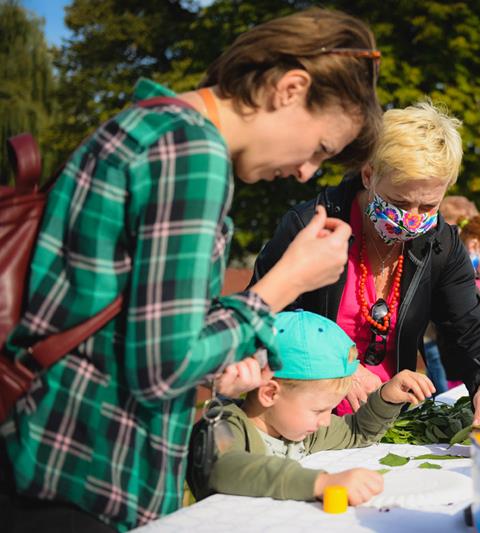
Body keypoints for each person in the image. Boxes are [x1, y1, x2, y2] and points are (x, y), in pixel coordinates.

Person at [0, 8, 382, 532]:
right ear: (289, 89)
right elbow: (162, 367)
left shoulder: (151, 120)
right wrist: (286, 282)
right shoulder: (193, 152)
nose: (305, 172)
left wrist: (219, 359)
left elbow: (137, 328)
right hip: (85, 477)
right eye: (319, 149)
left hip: (47, 453)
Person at [249, 101, 480, 431]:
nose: (412, 219)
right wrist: (339, 367)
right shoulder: (310, 225)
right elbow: (265, 318)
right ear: (368, 174)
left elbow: (470, 327)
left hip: (386, 420)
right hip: (301, 421)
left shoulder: (442, 244)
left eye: (428, 206)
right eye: (399, 202)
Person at [187, 310, 434, 505]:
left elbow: (357, 432)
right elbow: (224, 468)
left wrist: (386, 398)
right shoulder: (224, 426)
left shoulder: (299, 430)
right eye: (318, 411)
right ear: (270, 393)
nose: (326, 421)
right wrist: (321, 483)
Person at [422, 195, 478, 394]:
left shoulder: (460, 254)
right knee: (441, 388)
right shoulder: (435, 249)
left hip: (442, 335)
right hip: (432, 333)